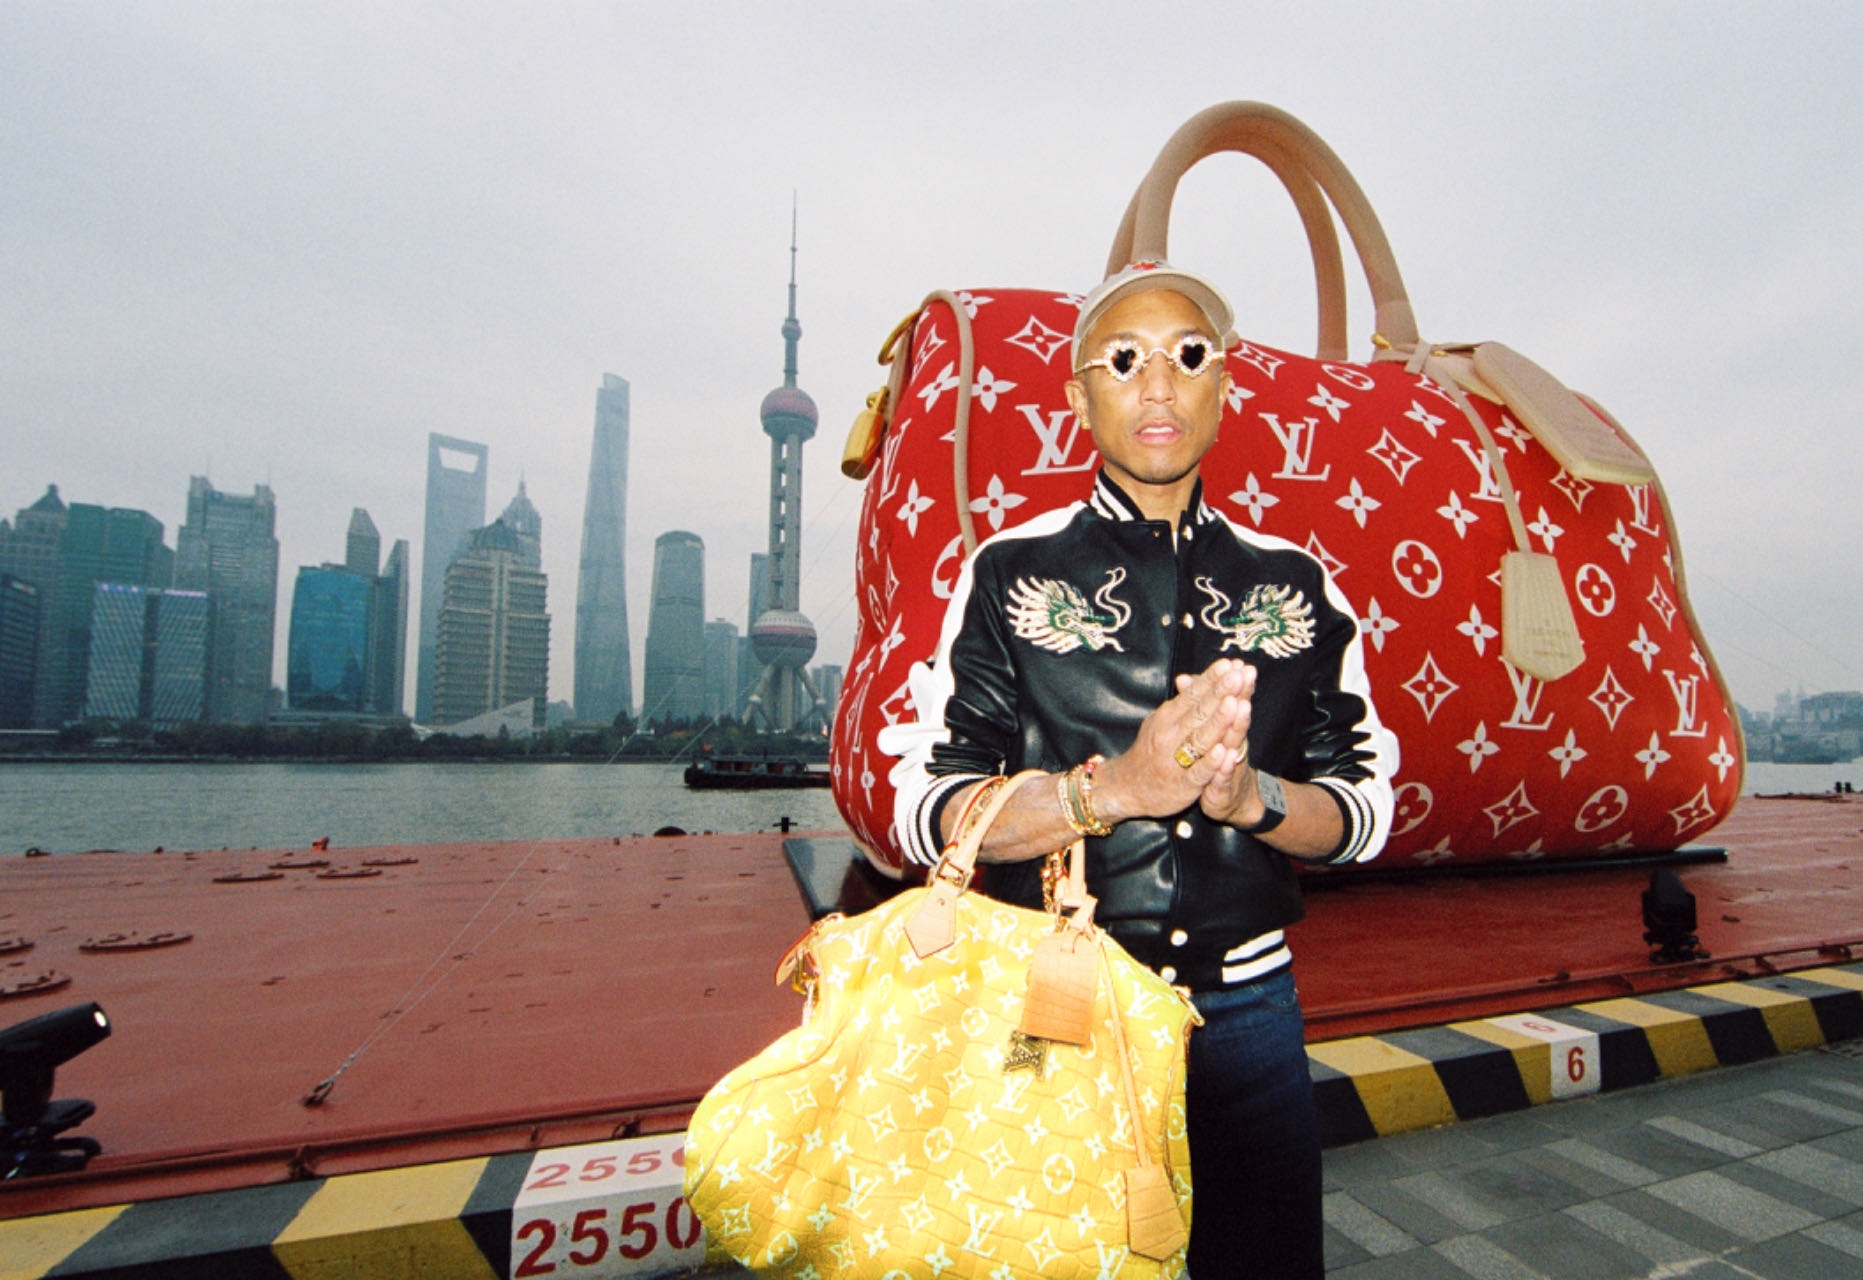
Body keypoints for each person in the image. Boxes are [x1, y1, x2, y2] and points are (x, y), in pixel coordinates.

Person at [882, 260, 1399, 1277]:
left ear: (1225, 384)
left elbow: (1366, 808)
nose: (1157, 384)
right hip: (1061, 1007)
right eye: (1123, 361)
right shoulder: (1007, 572)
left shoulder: (1298, 583)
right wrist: (1109, 791)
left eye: (1187, 355)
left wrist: (1253, 799)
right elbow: (927, 808)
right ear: (1078, 398)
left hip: (1252, 1014)